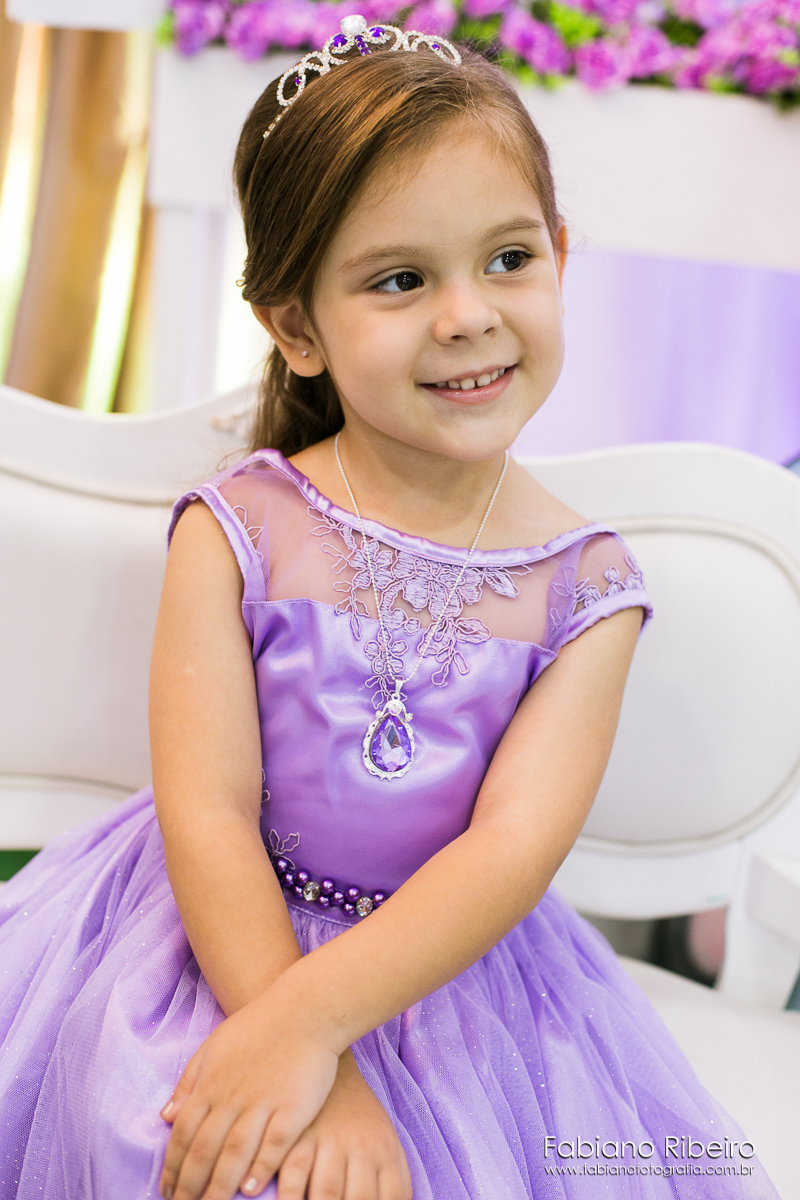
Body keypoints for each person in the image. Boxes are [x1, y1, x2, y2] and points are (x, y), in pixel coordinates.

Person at [0, 17, 778, 1200]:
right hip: (214, 935)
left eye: (507, 259)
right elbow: (209, 810)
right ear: (296, 327)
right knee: (170, 1142)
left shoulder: (586, 589)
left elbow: (508, 852)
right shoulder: (239, 529)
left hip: (444, 978)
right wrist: (293, 1041)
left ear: (560, 257)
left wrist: (323, 1030)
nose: (466, 315)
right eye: (400, 280)